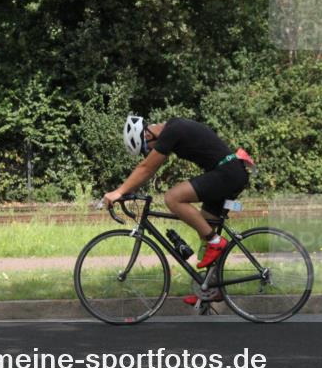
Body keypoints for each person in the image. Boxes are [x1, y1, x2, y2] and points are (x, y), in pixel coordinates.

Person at [103, 115, 252, 304]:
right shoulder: (173, 129)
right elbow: (148, 169)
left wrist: (118, 192)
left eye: (145, 147)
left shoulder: (172, 130)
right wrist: (125, 190)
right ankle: (212, 287)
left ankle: (216, 241)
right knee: (204, 224)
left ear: (148, 134)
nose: (148, 152)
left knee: (173, 198)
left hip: (227, 172)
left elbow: (146, 168)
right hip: (229, 171)